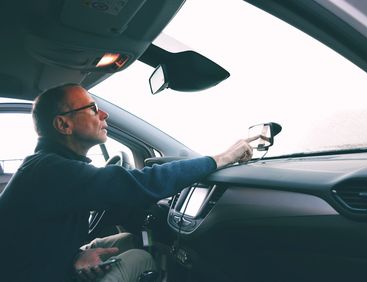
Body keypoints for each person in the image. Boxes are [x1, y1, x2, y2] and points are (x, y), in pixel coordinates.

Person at [0, 83, 257, 282]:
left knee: (125, 240)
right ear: (64, 124)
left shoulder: (48, 167)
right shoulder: (52, 171)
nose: (103, 114)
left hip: (36, 267)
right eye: (91, 108)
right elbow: (146, 183)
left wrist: (75, 257)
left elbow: (34, 244)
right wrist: (221, 158)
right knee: (140, 258)